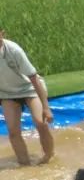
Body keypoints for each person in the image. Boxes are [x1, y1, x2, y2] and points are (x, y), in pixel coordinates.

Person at [0, 27, 54, 165]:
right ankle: (25, 165)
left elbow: (33, 78)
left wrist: (46, 107)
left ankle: (48, 158)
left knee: (40, 123)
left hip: (29, 89)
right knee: (13, 132)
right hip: (7, 93)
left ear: (2, 33)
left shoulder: (14, 50)